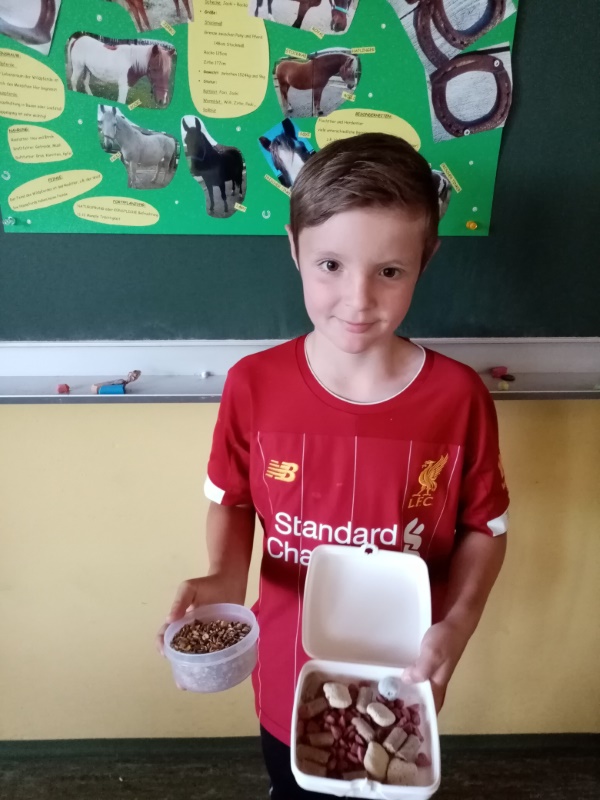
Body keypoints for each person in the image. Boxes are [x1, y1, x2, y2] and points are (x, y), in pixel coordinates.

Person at [157, 133, 509, 799]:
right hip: (288, 676)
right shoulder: (254, 385)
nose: (358, 299)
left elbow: (484, 529)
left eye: (389, 271)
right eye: (330, 265)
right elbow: (233, 499)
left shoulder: (458, 398)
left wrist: (458, 625)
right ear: (294, 249)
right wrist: (225, 576)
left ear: (426, 259)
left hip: (403, 681)